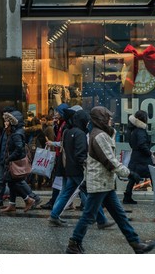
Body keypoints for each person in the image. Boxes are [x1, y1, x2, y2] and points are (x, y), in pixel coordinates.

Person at [66, 106, 154, 254]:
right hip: (100, 183)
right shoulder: (99, 136)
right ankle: (74, 243)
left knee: (119, 216)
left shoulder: (100, 133)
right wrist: (129, 173)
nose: (111, 120)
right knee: (89, 216)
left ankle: (135, 243)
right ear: (101, 119)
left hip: (104, 183)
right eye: (108, 117)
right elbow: (110, 161)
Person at [48, 109, 114, 229]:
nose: (88, 123)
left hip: (70, 168)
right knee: (91, 194)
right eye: (86, 121)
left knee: (66, 193)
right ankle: (101, 220)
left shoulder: (68, 131)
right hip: (79, 170)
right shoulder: (80, 134)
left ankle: (54, 215)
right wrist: (86, 165)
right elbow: (81, 154)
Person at [0, 111, 36, 213]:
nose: (5, 123)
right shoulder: (13, 132)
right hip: (13, 161)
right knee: (11, 183)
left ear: (11, 122)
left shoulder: (16, 134)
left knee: (14, 183)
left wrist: (9, 158)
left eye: (7, 121)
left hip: (15, 163)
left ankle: (29, 200)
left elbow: (19, 149)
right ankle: (12, 205)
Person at [41, 103, 69, 209]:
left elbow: (63, 142)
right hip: (59, 155)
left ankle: (54, 202)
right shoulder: (59, 124)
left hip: (62, 156)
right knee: (64, 182)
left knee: (66, 182)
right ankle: (56, 201)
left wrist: (52, 143)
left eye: (57, 112)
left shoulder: (65, 125)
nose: (55, 114)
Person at [124, 110, 153, 204]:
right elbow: (142, 145)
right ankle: (127, 198)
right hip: (142, 160)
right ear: (144, 119)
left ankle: (127, 197)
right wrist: (150, 153)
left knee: (132, 178)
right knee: (153, 176)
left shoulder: (133, 130)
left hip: (136, 158)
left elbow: (133, 144)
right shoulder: (140, 131)